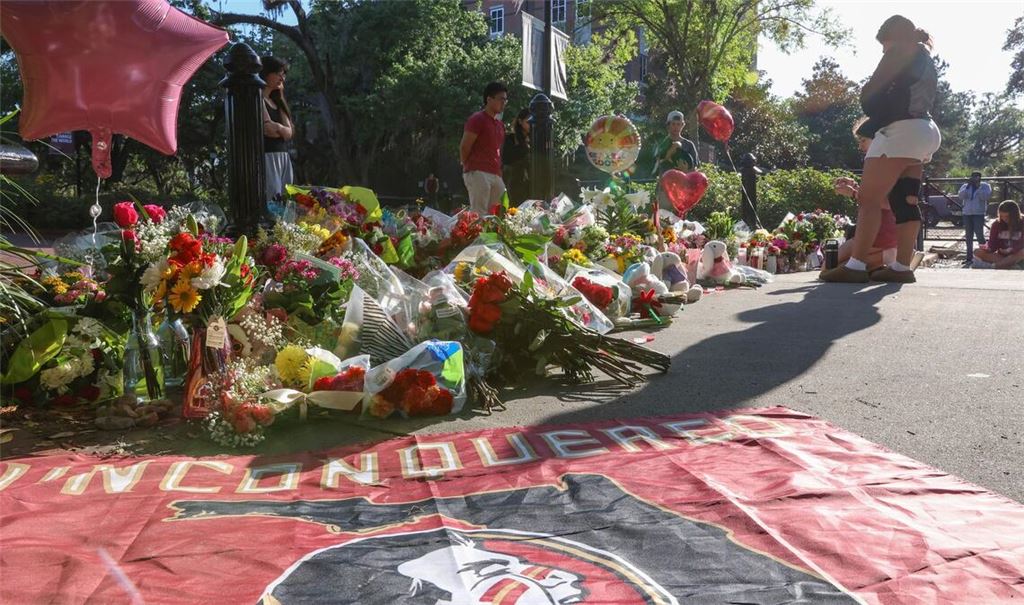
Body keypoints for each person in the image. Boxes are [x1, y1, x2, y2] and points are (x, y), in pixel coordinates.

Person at [821, 15, 940, 284]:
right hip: (925, 129)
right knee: (905, 200)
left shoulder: (900, 49)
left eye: (884, 47)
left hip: (901, 131)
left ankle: (856, 265)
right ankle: (901, 267)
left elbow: (873, 93)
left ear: (893, 38)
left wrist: (869, 104)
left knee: (868, 199)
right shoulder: (924, 56)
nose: (884, 52)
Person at [460, 82, 508, 214]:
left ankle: (494, 235)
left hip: (495, 173)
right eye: (501, 99)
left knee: (500, 212)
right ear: (489, 99)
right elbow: (464, 146)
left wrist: (498, 170)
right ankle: (475, 235)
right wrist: (469, 167)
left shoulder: (500, 125)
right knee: (479, 213)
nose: (504, 103)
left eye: (505, 100)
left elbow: (496, 151)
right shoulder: (477, 119)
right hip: (478, 171)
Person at [260, 56, 294, 214]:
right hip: (268, 157)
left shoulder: (278, 102)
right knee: (272, 200)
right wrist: (280, 129)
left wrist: (278, 127)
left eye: (284, 74)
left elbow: (289, 133)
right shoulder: (258, 99)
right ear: (266, 73)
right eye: (279, 73)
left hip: (283, 157)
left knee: (286, 200)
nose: (282, 77)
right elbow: (268, 130)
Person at [974, 200, 1024, 269]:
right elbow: (992, 243)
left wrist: (1011, 250)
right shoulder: (996, 224)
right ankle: (1010, 265)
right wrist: (987, 248)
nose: (1004, 219)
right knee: (977, 251)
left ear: (1015, 215)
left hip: (1017, 255)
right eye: (1002, 216)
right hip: (1001, 256)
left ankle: (994, 266)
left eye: (1007, 216)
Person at [652, 110, 700, 176]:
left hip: (682, 184)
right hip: (665, 183)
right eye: (673, 124)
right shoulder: (661, 143)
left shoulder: (689, 145)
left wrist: (685, 170)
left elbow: (694, 168)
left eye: (678, 124)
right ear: (668, 125)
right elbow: (654, 164)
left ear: (682, 125)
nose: (676, 127)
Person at [958, 171, 992, 266]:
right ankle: (969, 258)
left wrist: (978, 187)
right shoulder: (965, 186)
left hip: (978, 213)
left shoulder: (985, 186)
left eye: (977, 177)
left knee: (979, 234)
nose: (975, 179)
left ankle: (985, 255)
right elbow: (961, 196)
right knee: (968, 236)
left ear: (980, 178)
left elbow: (986, 197)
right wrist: (968, 186)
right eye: (973, 177)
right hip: (967, 213)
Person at [502, 108, 531, 205]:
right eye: (528, 121)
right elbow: (506, 159)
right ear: (520, 121)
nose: (531, 125)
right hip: (514, 181)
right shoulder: (511, 138)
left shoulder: (534, 139)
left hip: (529, 183)